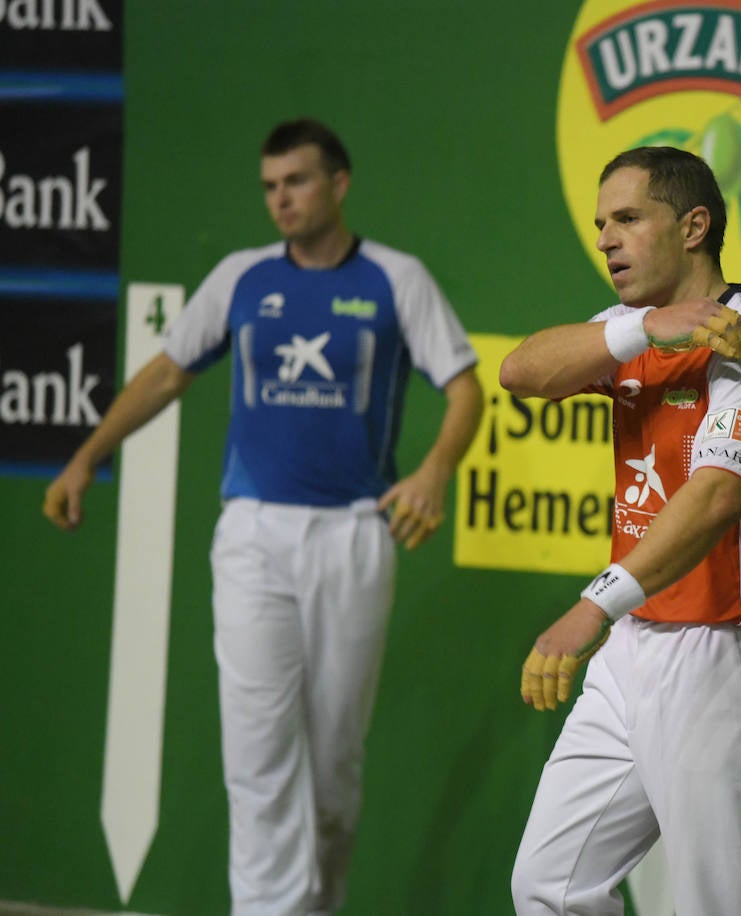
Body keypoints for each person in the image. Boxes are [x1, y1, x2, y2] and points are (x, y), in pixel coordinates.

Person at [42, 118, 483, 914]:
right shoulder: (240, 279)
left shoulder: (395, 278)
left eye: (298, 181)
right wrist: (85, 455)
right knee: (257, 749)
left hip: (353, 535)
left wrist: (432, 473)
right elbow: (167, 374)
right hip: (251, 534)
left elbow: (464, 388)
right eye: (270, 186)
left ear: (339, 183)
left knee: (334, 763)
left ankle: (317, 904)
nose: (281, 199)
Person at [502, 146, 741, 916]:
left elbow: (713, 499)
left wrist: (592, 606)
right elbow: (521, 372)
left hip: (727, 659)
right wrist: (647, 327)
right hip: (635, 651)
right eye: (600, 223)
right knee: (551, 886)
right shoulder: (631, 331)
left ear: (693, 226)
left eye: (629, 219)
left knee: (718, 905)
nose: (606, 238)